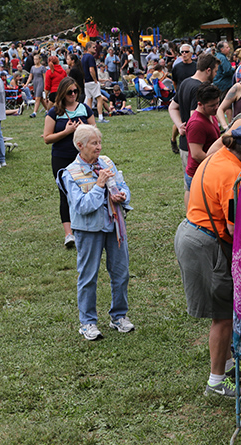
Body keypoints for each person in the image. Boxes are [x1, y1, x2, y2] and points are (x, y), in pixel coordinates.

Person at [173, 123, 241, 397]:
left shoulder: (219, 155)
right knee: (223, 316)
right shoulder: (234, 175)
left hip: (192, 232)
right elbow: (234, 228)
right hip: (207, 243)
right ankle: (216, 383)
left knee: (224, 312)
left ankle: (227, 367)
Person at [59, 124, 133, 341]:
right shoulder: (70, 173)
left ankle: (119, 316)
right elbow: (81, 207)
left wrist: (122, 196)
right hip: (88, 229)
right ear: (80, 146)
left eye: (100, 142)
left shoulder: (107, 163)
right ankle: (88, 322)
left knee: (121, 272)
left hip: (114, 225)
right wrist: (100, 187)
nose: (99, 147)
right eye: (94, 143)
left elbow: (123, 186)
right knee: (88, 276)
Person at [44, 77, 96, 248]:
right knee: (65, 194)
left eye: (75, 91)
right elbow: (47, 138)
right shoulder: (54, 112)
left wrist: (84, 129)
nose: (73, 95)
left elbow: (95, 132)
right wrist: (66, 132)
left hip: (83, 158)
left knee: (86, 189)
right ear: (62, 93)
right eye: (69, 92)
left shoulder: (85, 109)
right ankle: (69, 234)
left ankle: (85, 227)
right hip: (61, 157)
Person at [169, 53, 219, 208]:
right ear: (209, 70)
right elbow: (195, 119)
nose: (216, 74)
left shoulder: (185, 82)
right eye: (216, 71)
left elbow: (172, 107)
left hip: (187, 145)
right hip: (196, 147)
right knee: (194, 187)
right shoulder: (200, 89)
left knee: (189, 186)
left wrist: (179, 126)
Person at [184, 83, 221, 190]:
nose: (216, 108)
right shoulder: (197, 123)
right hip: (199, 174)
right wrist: (217, 165)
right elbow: (196, 154)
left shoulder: (210, 115)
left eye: (217, 103)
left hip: (207, 171)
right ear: (200, 104)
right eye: (212, 105)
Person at [82, 42, 107, 123]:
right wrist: (95, 80)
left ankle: (89, 118)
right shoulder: (90, 57)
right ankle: (100, 117)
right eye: (93, 47)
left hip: (86, 81)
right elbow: (91, 69)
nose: (95, 48)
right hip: (92, 81)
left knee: (89, 99)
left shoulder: (83, 57)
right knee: (99, 98)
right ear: (88, 48)